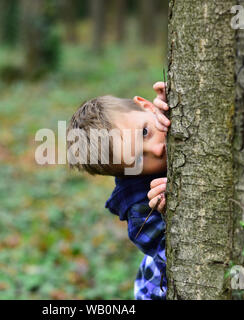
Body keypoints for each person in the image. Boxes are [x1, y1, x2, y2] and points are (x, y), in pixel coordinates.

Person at [66, 82, 170, 299]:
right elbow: (177, 256)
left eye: (144, 132)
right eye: (139, 159)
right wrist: (174, 209)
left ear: (145, 106)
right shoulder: (139, 210)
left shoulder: (158, 115)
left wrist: (169, 102)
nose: (157, 149)